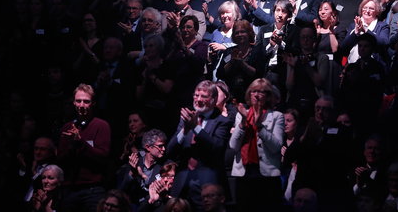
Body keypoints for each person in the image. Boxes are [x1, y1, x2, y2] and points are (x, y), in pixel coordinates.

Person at [167, 80, 232, 211]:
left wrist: (195, 127)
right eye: (196, 95)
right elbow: (170, 152)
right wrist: (184, 131)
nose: (198, 99)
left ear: (213, 100)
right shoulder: (186, 118)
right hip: (183, 181)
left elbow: (217, 148)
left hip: (207, 184)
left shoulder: (222, 121)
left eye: (204, 96)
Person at [229, 78, 284, 212]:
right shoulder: (241, 114)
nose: (257, 95)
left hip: (267, 176)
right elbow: (233, 146)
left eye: (262, 92)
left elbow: (276, 147)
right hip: (244, 174)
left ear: (269, 96)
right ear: (249, 94)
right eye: (254, 91)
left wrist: (260, 126)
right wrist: (242, 122)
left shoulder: (277, 116)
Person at [57, 84, 111, 212]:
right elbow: (60, 160)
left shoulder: (101, 125)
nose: (82, 105)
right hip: (69, 189)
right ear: (74, 103)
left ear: (93, 103)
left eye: (86, 101)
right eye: (78, 101)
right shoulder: (67, 127)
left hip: (93, 190)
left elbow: (102, 157)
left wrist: (80, 142)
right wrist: (71, 146)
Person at [215, 20, 264, 102]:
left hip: (252, 95)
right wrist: (232, 61)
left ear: (249, 33)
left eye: (242, 32)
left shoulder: (257, 50)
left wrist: (241, 63)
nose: (239, 35)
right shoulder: (229, 51)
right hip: (231, 96)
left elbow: (259, 74)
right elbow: (219, 74)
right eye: (236, 33)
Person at [120, 129, 167, 209]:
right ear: (148, 147)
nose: (164, 149)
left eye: (164, 146)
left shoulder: (163, 166)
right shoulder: (135, 162)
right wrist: (132, 172)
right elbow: (122, 189)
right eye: (160, 146)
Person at [341, 0, 390, 66]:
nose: (367, 11)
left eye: (371, 8)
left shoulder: (382, 26)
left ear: (377, 11)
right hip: (353, 67)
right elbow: (343, 47)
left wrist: (366, 31)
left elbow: (385, 43)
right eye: (365, 8)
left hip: (375, 67)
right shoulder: (353, 26)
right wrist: (355, 33)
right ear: (361, 10)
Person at [18, 137, 57, 204]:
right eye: (36, 149)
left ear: (51, 152)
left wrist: (34, 173)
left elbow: (43, 187)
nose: (38, 152)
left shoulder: (53, 169)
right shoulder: (30, 164)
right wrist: (23, 168)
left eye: (43, 149)